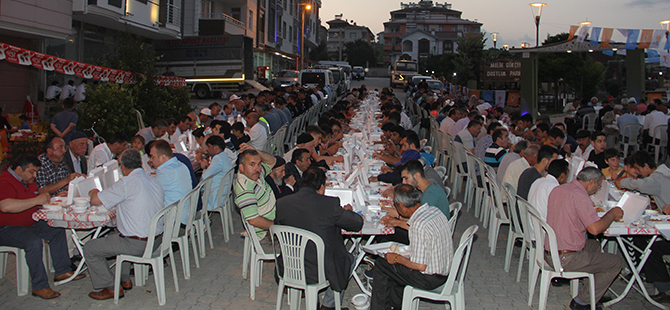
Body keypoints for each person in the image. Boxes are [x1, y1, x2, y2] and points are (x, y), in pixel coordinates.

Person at [275, 167, 364, 310]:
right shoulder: (329, 204)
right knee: (349, 259)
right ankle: (329, 305)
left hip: (289, 264)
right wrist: (347, 211)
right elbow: (357, 223)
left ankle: (314, 301)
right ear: (322, 187)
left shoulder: (282, 203)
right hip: (321, 269)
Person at [0, 156, 86, 299]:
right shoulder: (5, 181)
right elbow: (5, 206)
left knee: (55, 228)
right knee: (33, 242)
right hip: (6, 228)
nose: (34, 176)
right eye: (32, 172)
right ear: (19, 169)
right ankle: (39, 286)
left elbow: (34, 197)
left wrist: (52, 199)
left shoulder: (28, 180)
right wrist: (36, 200)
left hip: (29, 223)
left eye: (36, 172)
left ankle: (62, 270)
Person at [84, 149, 165, 300]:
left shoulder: (127, 183)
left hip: (139, 244)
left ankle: (110, 287)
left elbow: (96, 200)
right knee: (120, 234)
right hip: (157, 239)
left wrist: (93, 191)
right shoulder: (153, 180)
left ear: (123, 167)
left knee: (90, 248)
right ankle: (124, 279)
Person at [546, 167, 623, 309]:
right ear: (592, 182)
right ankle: (582, 302)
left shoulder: (560, 189)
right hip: (565, 257)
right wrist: (611, 214)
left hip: (551, 250)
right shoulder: (580, 196)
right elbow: (595, 229)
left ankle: (593, 292)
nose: (597, 190)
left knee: (594, 246)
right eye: (598, 187)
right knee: (616, 262)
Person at [371, 184, 452, 310]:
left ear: (402, 205)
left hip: (429, 278)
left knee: (383, 265)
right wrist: (396, 222)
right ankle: (398, 305)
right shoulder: (433, 211)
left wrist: (397, 258)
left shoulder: (418, 224)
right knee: (395, 270)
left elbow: (420, 265)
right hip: (444, 271)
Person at [234, 147, 277, 241]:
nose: (257, 169)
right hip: (265, 235)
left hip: (275, 218)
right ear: (241, 167)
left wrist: (257, 151)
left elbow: (272, 161)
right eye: (252, 165)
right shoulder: (245, 188)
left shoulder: (256, 174)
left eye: (259, 164)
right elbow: (254, 220)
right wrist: (277, 228)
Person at [148, 140, 192, 224]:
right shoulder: (181, 165)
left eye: (153, 157)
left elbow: (153, 196)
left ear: (162, 157)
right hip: (187, 212)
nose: (150, 160)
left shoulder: (164, 173)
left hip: (175, 219)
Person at [200, 136, 234, 212]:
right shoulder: (224, 156)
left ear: (215, 148)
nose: (207, 149)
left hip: (216, 197)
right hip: (223, 193)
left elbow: (205, 177)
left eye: (208, 146)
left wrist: (205, 167)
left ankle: (202, 221)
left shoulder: (218, 159)